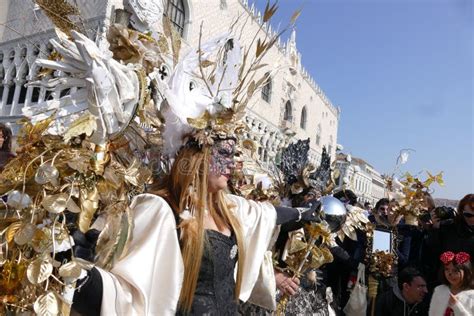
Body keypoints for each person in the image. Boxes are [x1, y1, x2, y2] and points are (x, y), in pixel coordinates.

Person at [426, 194, 474, 288]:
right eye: (468, 215)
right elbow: (432, 250)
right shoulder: (449, 227)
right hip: (446, 281)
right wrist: (435, 228)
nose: (472, 219)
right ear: (461, 212)